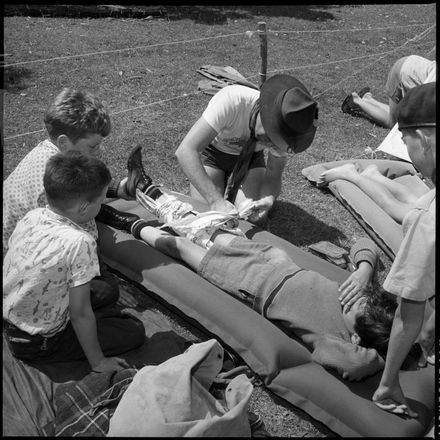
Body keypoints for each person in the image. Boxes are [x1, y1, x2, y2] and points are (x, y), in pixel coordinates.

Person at [96, 165, 398, 382]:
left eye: (355, 308)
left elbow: (355, 365)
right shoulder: (359, 296)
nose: (353, 300)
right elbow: (364, 244)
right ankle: (149, 190)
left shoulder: (334, 341)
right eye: (361, 299)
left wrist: (390, 359)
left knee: (180, 247)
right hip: (270, 260)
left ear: (356, 337)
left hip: (250, 283)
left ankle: (128, 223)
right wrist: (364, 269)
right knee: (206, 228)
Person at [322, 82, 435, 417]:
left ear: (424, 140)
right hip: (420, 212)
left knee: (411, 213)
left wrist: (388, 383)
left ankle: (361, 177)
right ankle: (361, 177)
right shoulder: (426, 212)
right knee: (411, 209)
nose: (407, 152)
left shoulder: (427, 221)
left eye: (405, 142)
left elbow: (408, 314)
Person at [3, 151, 146, 372]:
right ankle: (67, 345)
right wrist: (99, 362)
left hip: (12, 318)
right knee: (133, 331)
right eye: (100, 201)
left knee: (105, 294)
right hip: (38, 343)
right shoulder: (80, 242)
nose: (102, 205)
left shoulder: (34, 215)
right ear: (83, 208)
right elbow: (80, 313)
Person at [3, 87, 150, 254]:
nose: (99, 151)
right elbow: (83, 217)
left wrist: (119, 189)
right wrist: (129, 223)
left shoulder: (50, 152)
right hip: (24, 254)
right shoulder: (51, 183)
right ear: (64, 142)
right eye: (93, 146)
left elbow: (82, 184)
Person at [175, 74, 319, 227]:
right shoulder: (231, 100)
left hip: (251, 158)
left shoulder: (288, 132)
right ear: (266, 112)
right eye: (270, 135)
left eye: (276, 142)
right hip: (213, 155)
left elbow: (274, 172)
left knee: (252, 218)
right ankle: (219, 187)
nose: (271, 143)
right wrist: (216, 201)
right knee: (209, 218)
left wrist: (268, 198)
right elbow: (186, 151)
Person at [341, 55, 436, 128]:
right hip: (403, 74)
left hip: (411, 62)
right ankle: (357, 101)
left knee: (400, 114)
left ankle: (368, 99)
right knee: (394, 123)